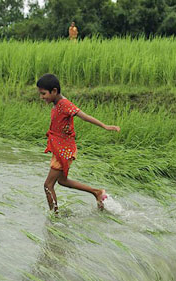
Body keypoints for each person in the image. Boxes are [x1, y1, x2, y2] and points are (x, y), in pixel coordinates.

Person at [36, 73, 120, 213]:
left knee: (48, 185)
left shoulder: (64, 104)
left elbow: (84, 116)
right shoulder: (57, 103)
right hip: (61, 148)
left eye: (43, 93)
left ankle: (54, 217)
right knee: (62, 181)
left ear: (54, 91)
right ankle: (97, 192)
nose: (41, 97)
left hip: (64, 150)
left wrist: (105, 126)